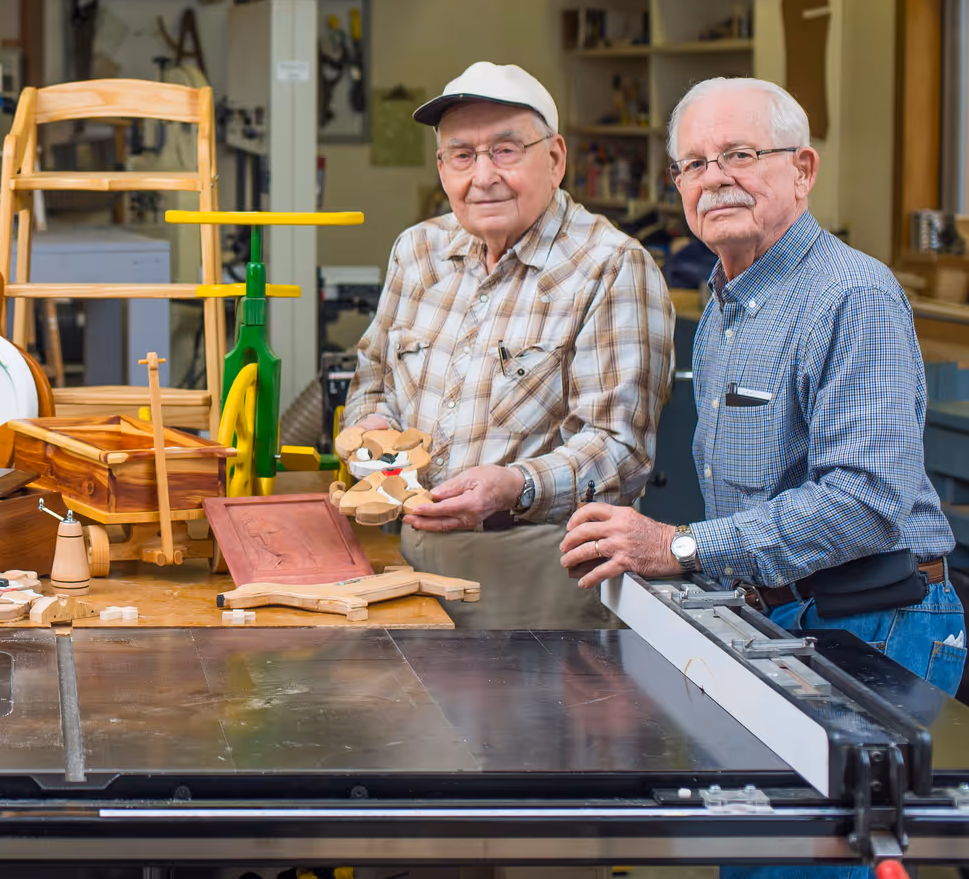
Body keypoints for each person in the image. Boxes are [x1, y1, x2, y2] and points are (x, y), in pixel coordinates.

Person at [562, 77, 964, 709]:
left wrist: (679, 546)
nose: (714, 178)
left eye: (740, 155)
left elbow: (866, 501)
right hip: (783, 618)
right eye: (694, 163)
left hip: (876, 623)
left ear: (803, 170)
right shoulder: (724, 307)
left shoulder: (853, 296)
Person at [342, 61, 675, 629]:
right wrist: (373, 429)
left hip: (542, 574)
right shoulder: (418, 251)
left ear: (555, 159)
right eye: (462, 155)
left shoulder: (611, 267)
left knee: (527, 720)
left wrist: (513, 487)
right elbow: (374, 375)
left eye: (505, 151)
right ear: (442, 166)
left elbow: (621, 450)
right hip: (409, 560)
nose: (482, 176)